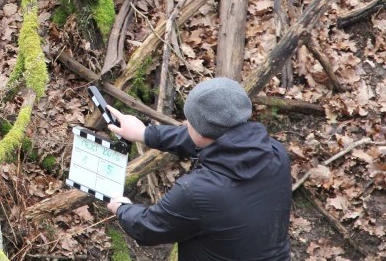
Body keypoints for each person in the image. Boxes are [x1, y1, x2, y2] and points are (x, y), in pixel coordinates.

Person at [105, 77, 292, 261]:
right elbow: (208, 139)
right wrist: (146, 134)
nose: (186, 125)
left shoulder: (196, 192)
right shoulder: (275, 153)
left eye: (190, 122)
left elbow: (148, 228)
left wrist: (122, 208)